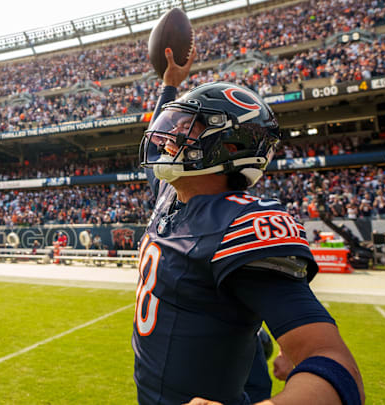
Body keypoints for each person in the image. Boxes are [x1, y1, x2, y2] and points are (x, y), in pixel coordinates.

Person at [134, 47, 364, 405]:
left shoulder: (239, 223)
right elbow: (158, 134)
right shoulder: (172, 196)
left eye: (186, 128)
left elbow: (333, 360)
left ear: (227, 145)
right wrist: (169, 86)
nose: (168, 136)